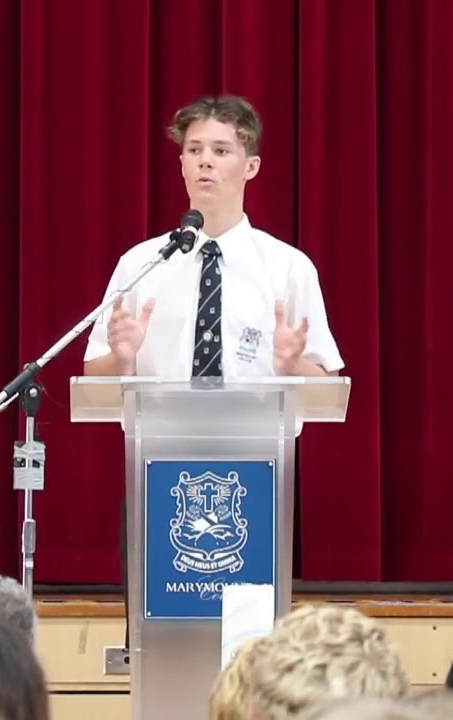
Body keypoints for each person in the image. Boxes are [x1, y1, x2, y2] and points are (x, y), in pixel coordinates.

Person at [83, 95, 345, 649]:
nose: (204, 161)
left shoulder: (288, 268)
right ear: (179, 164)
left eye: (220, 150)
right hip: (157, 475)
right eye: (194, 149)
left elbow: (328, 392)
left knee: (250, 652)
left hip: (256, 478)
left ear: (250, 166)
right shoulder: (142, 265)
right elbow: (95, 379)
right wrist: (121, 359)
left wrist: (291, 363)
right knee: (164, 646)